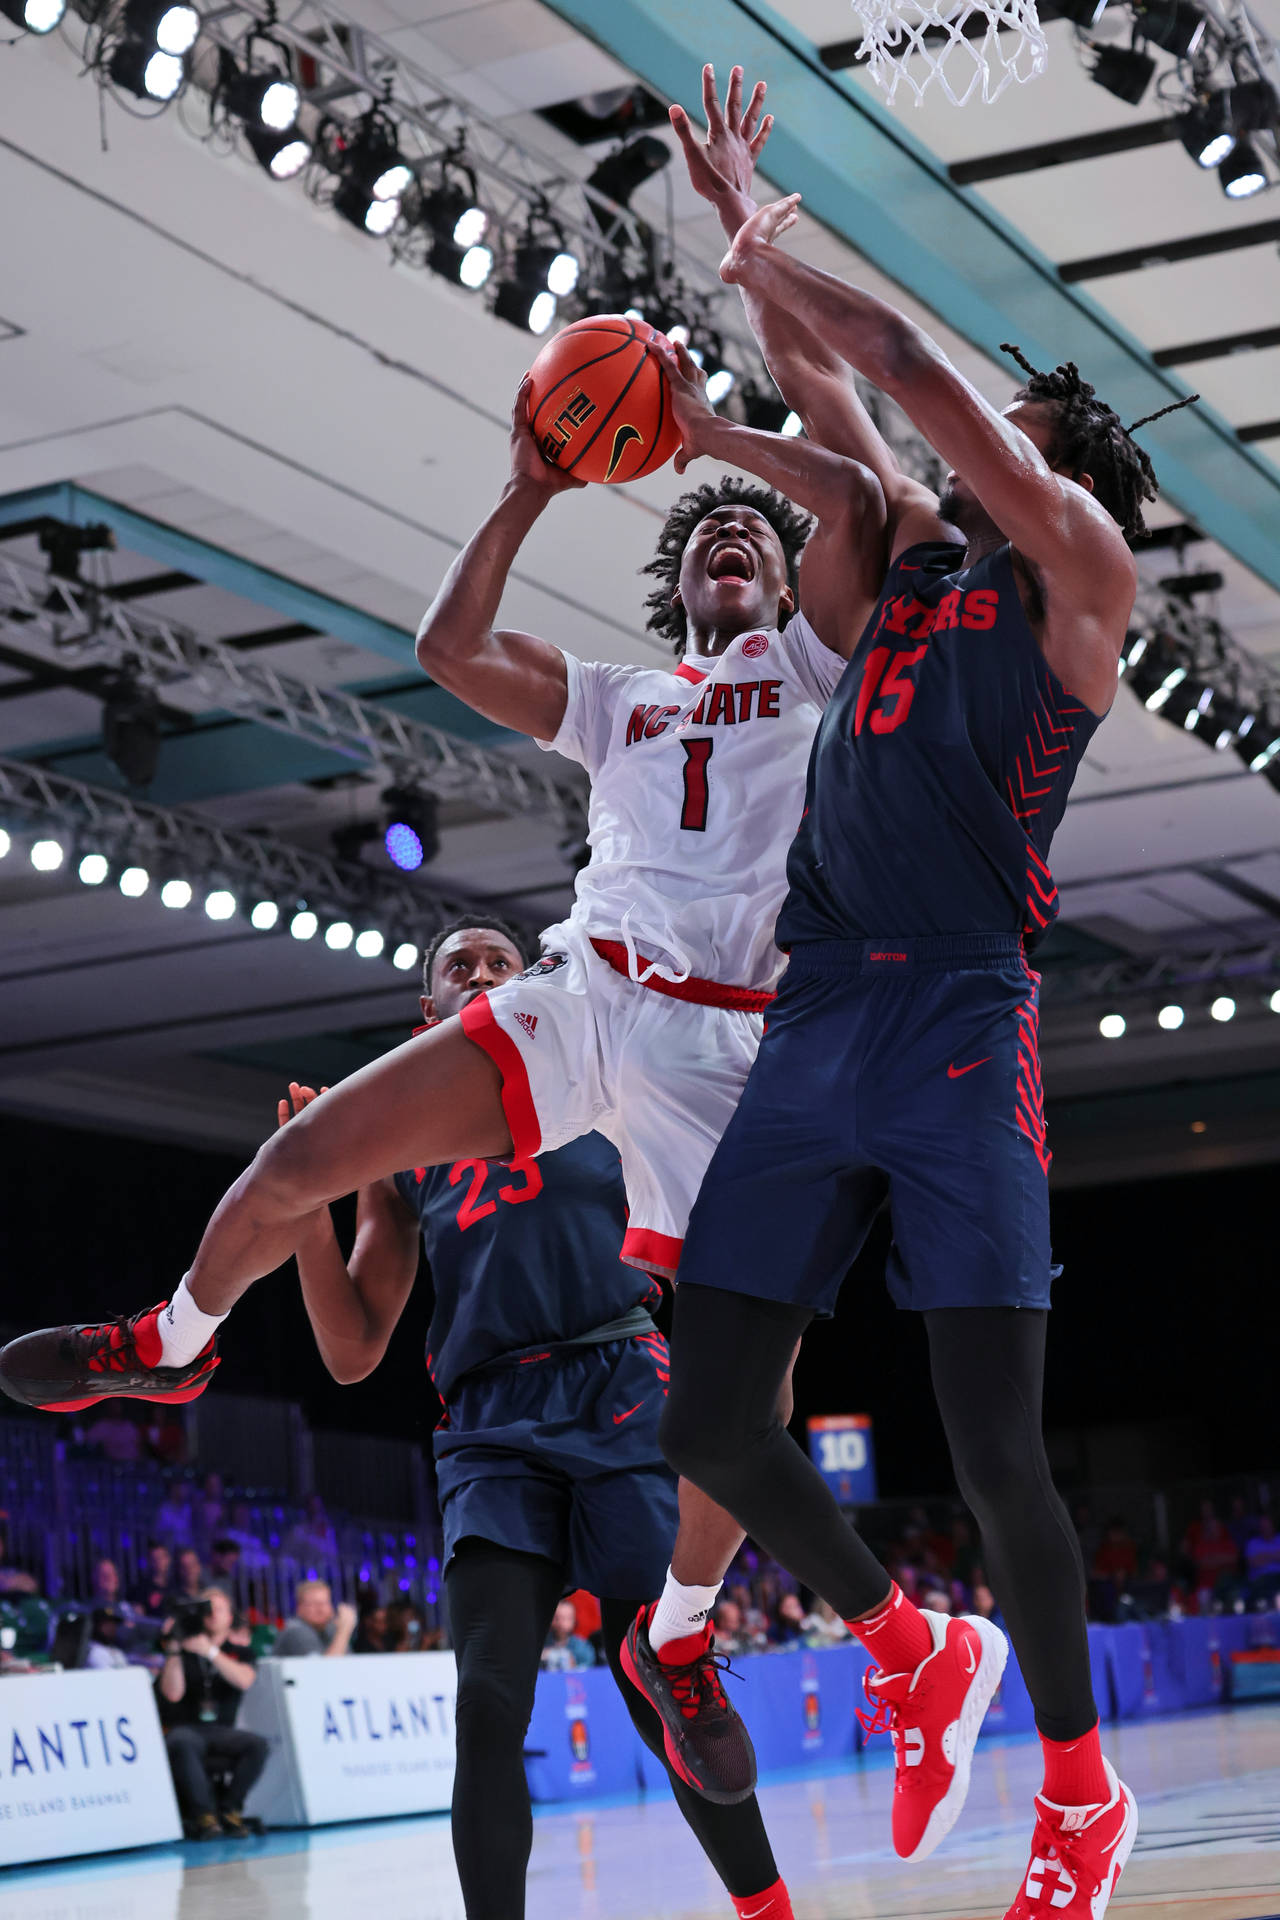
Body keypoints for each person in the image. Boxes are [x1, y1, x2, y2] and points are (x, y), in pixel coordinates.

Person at [0, 314, 888, 1805]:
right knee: (301, 1156)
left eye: (749, 538)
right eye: (702, 537)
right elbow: (445, 652)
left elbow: (857, 500)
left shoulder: (814, 664)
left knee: (756, 1398)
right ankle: (170, 1340)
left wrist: (710, 437)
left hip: (729, 1042)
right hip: (589, 990)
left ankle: (676, 1640)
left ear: (785, 582)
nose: (727, 542)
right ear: (676, 584)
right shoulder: (620, 697)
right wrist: (531, 486)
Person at [654, 64, 1194, 1918]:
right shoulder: (914, 555)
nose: (969, 452)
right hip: (823, 1012)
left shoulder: (1080, 575)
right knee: (706, 1423)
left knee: (994, 1449)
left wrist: (763, 245)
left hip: (964, 1018)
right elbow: (836, 412)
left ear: (1058, 467)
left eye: (1005, 435)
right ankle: (913, 1648)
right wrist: (724, 372)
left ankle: (1081, 1796)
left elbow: (887, 359)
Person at [277, 919, 795, 1920]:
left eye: (498, 963)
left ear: (533, 982)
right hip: (488, 1424)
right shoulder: (396, 1138)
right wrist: (306, 1203)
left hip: (618, 1384)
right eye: (458, 967)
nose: (480, 974)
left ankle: (766, 1909)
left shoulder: (602, 1079)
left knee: (659, 1688)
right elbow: (352, 1349)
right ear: (429, 1009)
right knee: (485, 1704)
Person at [155, 1587, 265, 1840]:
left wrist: (211, 1652)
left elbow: (245, 1680)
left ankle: (230, 1810)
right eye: (208, 1609)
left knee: (258, 1745)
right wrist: (174, 1648)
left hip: (223, 1731)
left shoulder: (240, 1652)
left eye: (220, 1609)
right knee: (181, 1740)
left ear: (230, 1616)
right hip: (187, 1729)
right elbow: (172, 1694)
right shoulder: (183, 1651)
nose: (213, 1614)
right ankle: (203, 1815)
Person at [273, 1578, 357, 1657]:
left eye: (325, 1603)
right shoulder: (294, 1630)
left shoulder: (330, 1629)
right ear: (299, 1608)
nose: (321, 1609)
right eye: (314, 1604)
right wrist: (344, 1630)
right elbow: (323, 1666)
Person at [541, 1599, 596, 1672]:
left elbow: (589, 1669)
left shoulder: (582, 1647)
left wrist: (575, 1667)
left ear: (574, 1620)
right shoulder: (540, 1645)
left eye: (567, 1618)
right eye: (557, 1618)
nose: (561, 1624)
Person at [129, 1541, 173, 1618]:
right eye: (154, 1559)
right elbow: (139, 1617)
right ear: (149, 1561)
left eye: (161, 1557)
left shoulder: (176, 1586)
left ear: (168, 1559)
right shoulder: (140, 1589)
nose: (158, 1562)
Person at [86, 1605, 131, 1670]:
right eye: (107, 1624)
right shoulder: (90, 1651)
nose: (111, 1628)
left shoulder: (117, 1651)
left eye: (113, 1624)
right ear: (95, 1626)